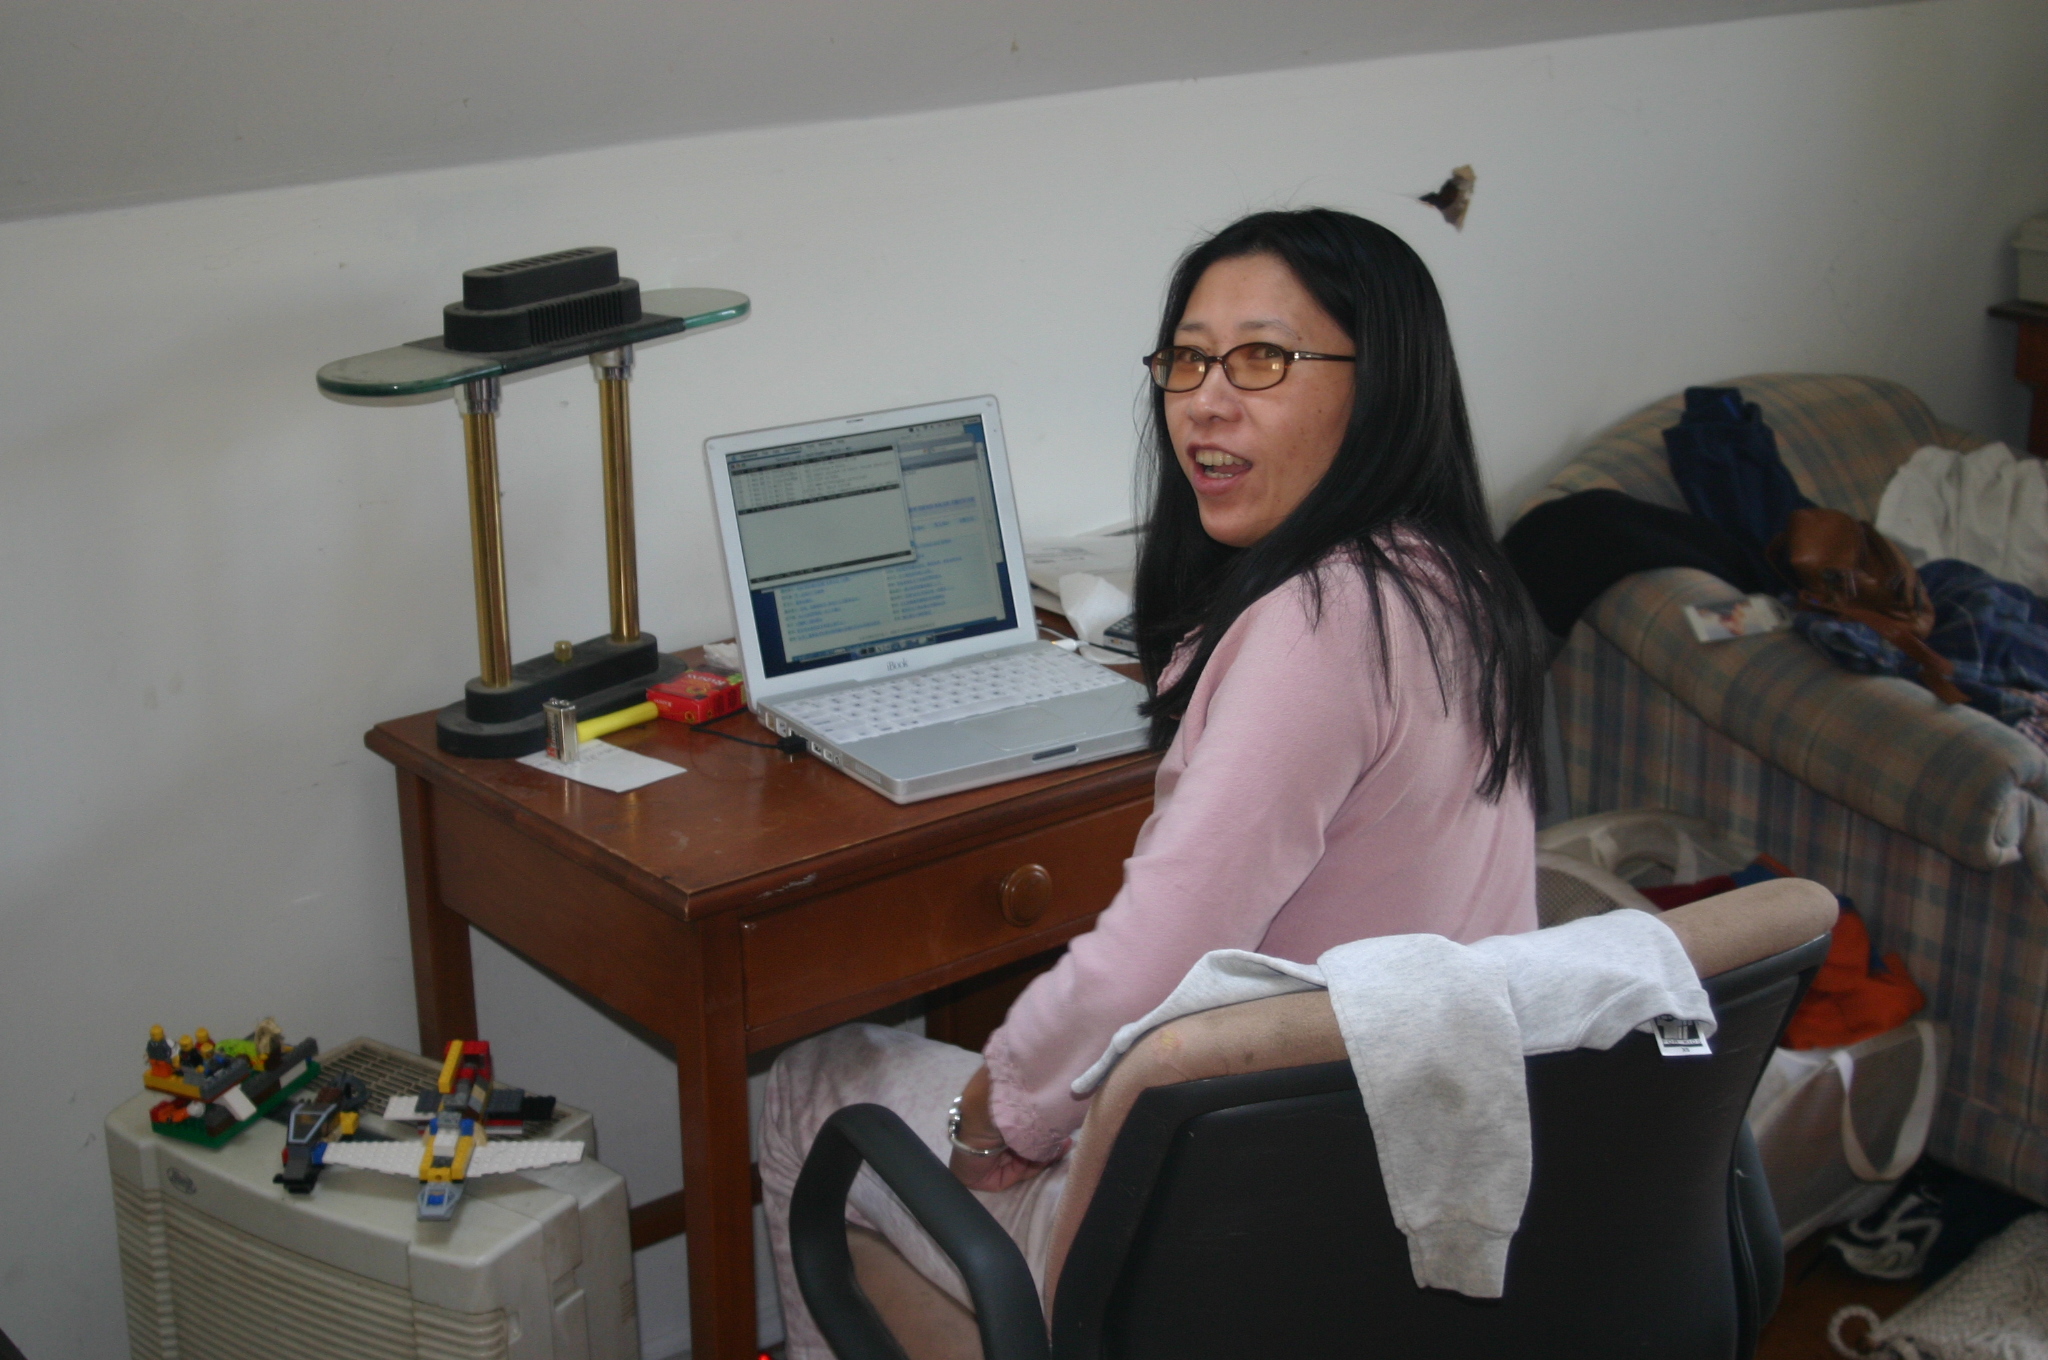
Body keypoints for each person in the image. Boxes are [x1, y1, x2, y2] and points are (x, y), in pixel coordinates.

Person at [758, 207, 1548, 1356]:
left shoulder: (1320, 622)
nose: (1203, 402)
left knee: (810, 1078)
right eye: (1185, 359)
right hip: (1403, 1186)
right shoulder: (1456, 586)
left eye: (1261, 358)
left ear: (1378, 388)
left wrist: (999, 1111)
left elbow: (1151, 957)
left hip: (1232, 1234)